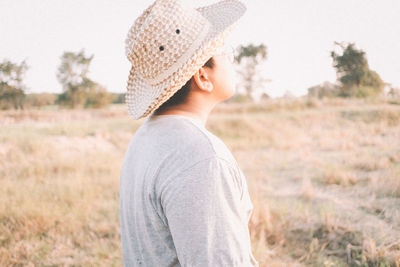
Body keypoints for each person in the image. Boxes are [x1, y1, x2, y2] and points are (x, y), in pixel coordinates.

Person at [120, 0, 259, 266]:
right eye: (224, 51)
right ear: (202, 77)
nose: (232, 59)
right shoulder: (203, 158)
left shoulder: (145, 138)